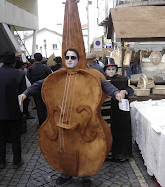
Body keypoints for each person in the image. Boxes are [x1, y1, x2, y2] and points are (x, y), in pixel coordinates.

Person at [19, 48, 125, 187]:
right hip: (63, 119)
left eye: (73, 57)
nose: (69, 60)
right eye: (67, 57)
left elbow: (104, 84)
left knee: (85, 146)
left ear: (78, 59)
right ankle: (65, 172)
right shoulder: (58, 75)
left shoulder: (89, 75)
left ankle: (86, 174)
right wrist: (26, 93)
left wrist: (116, 92)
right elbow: (40, 84)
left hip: (82, 120)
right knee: (65, 144)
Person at [104, 58, 134, 161]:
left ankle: (121, 154)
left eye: (113, 69)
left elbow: (130, 90)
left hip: (120, 111)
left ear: (116, 70)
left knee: (121, 131)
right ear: (105, 70)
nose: (111, 71)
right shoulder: (102, 80)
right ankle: (108, 154)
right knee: (108, 131)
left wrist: (125, 91)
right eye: (109, 69)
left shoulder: (122, 79)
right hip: (107, 110)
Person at [0, 52, 26, 169]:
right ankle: (16, 161)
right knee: (15, 137)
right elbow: (23, 95)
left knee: (1, 138)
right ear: (14, 63)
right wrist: (23, 111)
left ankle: (1, 162)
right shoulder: (19, 74)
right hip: (14, 112)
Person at [27, 53, 52, 127]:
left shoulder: (30, 69)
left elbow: (29, 78)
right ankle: (48, 122)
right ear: (42, 59)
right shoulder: (46, 67)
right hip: (46, 90)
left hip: (36, 91)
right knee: (47, 106)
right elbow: (50, 77)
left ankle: (41, 123)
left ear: (34, 59)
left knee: (39, 107)